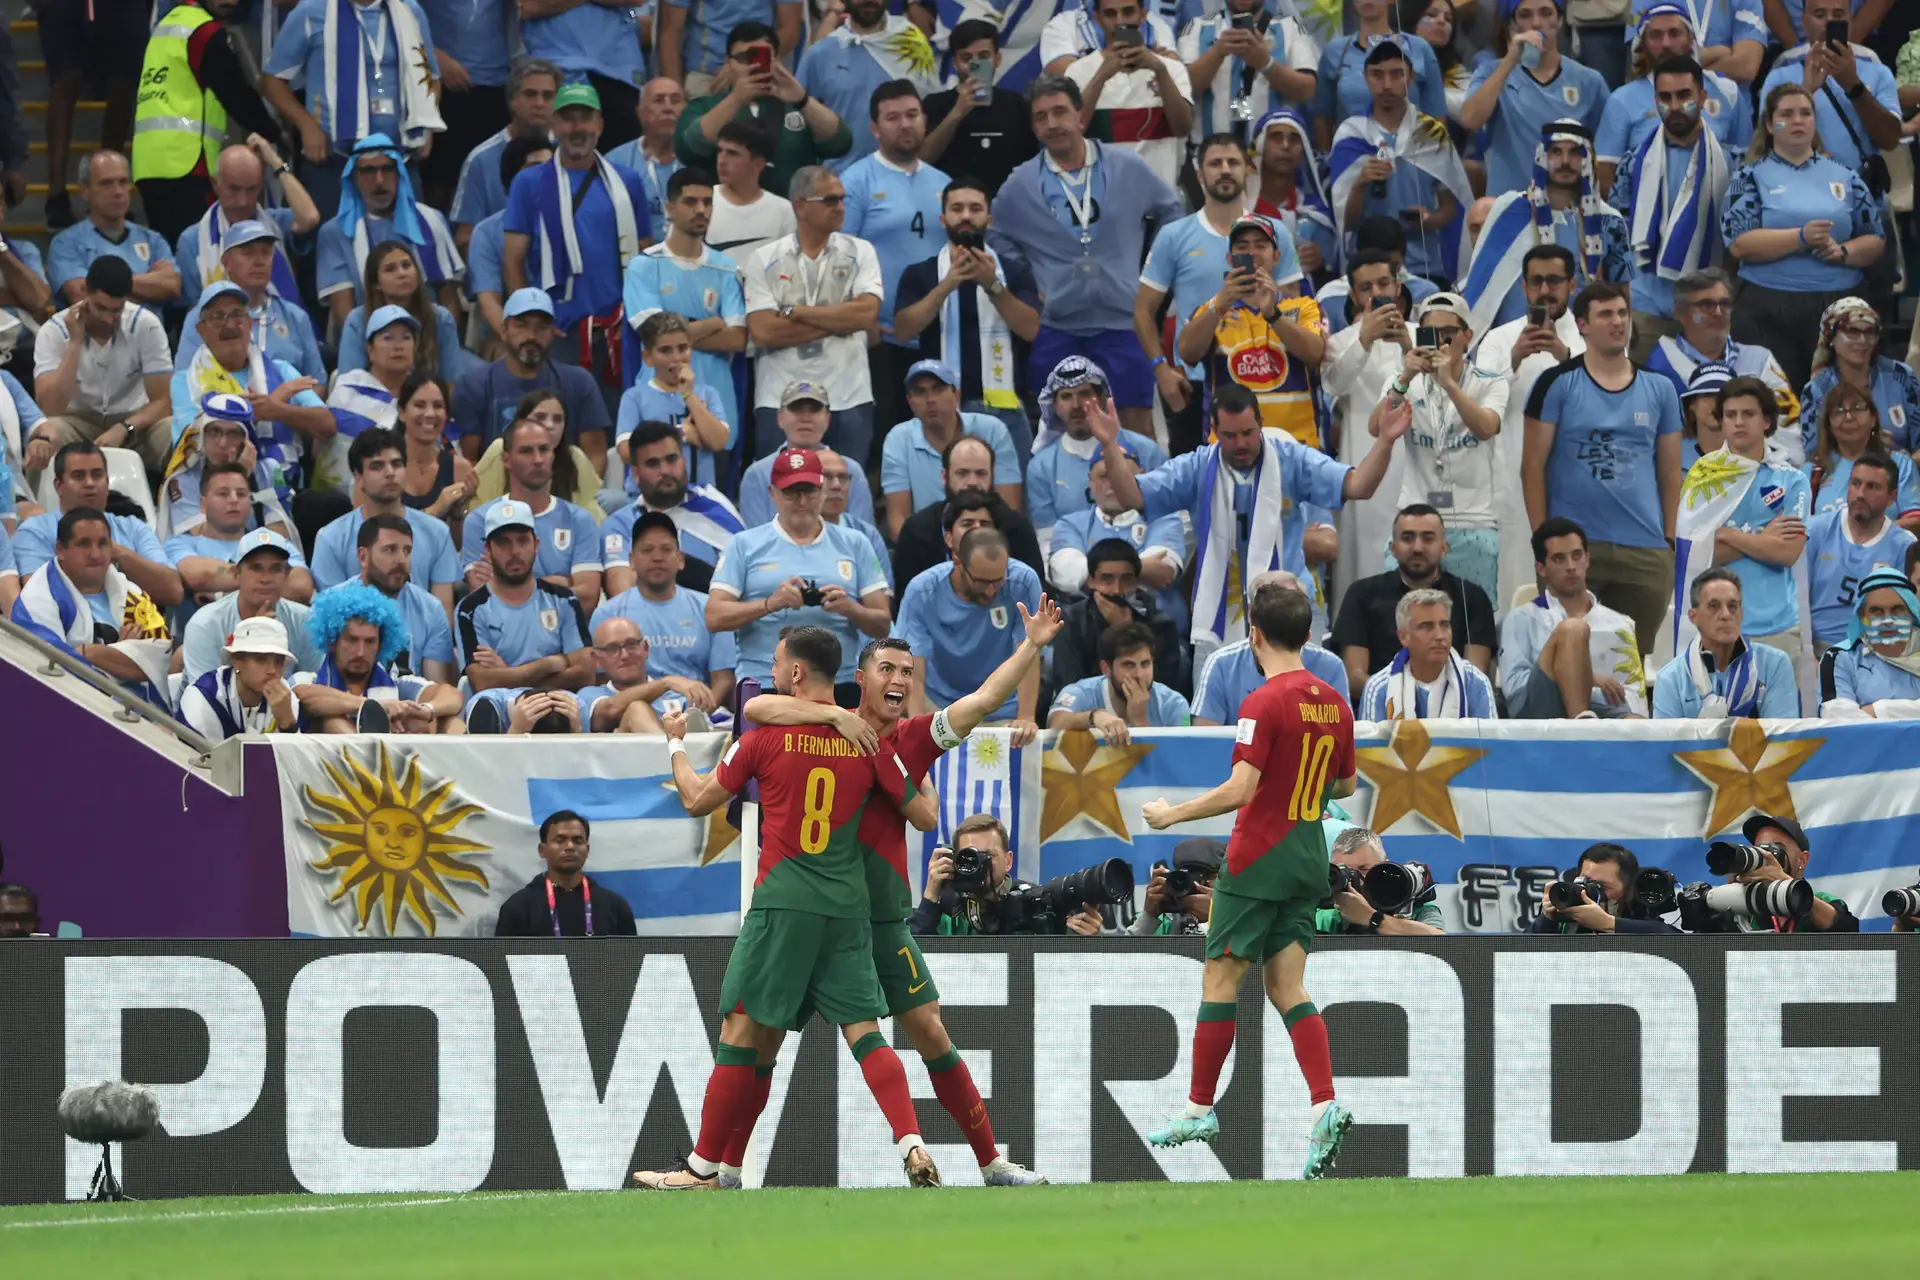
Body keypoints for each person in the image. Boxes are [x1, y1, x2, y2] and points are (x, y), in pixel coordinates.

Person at [736, 604, 1062, 1188]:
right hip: (823, 914)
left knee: (930, 1029)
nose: (900, 681)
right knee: (759, 1042)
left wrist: (1031, 645)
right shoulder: (816, 725)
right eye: (887, 669)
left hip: (882, 919)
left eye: (908, 672)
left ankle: (991, 1163)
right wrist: (836, 721)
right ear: (859, 679)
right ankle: (726, 1169)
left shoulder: (914, 738)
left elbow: (983, 701)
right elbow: (754, 706)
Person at [636, 624, 941, 1191]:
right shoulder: (864, 742)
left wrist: (676, 743)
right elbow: (923, 816)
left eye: (778, 664)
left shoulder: (759, 740)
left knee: (741, 1029)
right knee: (864, 1031)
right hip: (848, 911)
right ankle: (911, 1141)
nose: (773, 673)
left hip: (782, 903)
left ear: (795, 672)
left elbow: (697, 799)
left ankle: (701, 1168)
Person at [1138, 581, 1355, 1176]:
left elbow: (1241, 790)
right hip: (1308, 857)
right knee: (1289, 989)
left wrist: (1171, 814)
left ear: (1252, 634)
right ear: (1309, 635)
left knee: (1220, 976)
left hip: (1259, 855)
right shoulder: (1334, 702)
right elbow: (1345, 786)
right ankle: (1324, 1104)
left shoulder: (1262, 701)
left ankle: (1199, 1107)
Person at [1103, 382, 1406, 666]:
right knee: (1217, 716)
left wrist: (1386, 441)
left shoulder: (1293, 460)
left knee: (1301, 710)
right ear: (1214, 430)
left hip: (1292, 608)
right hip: (1218, 615)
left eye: (1248, 432)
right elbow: (1131, 496)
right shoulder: (1195, 467)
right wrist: (1108, 443)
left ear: (1261, 422)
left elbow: (1359, 487)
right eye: (1230, 436)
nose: (1241, 444)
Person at [989, 77, 1182, 440]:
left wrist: (1151, 275)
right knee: (1057, 433)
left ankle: (1141, 497)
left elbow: (1170, 212)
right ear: (1033, 127)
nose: (1052, 123)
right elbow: (997, 236)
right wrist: (1032, 279)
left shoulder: (1128, 166)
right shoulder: (1021, 184)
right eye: (1041, 117)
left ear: (1080, 116)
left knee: (1136, 430)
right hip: (1058, 327)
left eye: (1060, 112)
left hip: (1124, 324)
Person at [1523, 280, 1684, 655]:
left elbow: (1670, 471)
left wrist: (1670, 537)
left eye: (1623, 313)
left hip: (1645, 548)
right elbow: (1531, 467)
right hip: (1573, 547)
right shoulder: (1556, 384)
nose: (1617, 322)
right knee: (1565, 658)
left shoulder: (1660, 388)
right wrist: (1541, 540)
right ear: (1582, 325)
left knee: (1629, 665)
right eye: (1606, 314)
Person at [1722, 83, 1885, 395]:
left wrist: (1843, 251)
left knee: (1841, 401)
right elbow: (1739, 242)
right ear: (1769, 124)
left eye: (1805, 113)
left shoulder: (1845, 175)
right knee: (1772, 404)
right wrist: (1800, 237)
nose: (1797, 121)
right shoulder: (1749, 177)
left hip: (1838, 305)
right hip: (1766, 308)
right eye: (1786, 114)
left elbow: (1875, 239)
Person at [502, 82, 650, 418]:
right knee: (555, 424)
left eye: (585, 118)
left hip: (616, 329)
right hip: (559, 329)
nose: (577, 128)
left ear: (599, 125)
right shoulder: (529, 183)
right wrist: (529, 320)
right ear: (554, 125)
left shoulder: (628, 182)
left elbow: (643, 254)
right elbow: (513, 259)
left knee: (616, 426)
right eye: (568, 119)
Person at [1136, 136, 1286, 454]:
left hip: (1266, 378)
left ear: (1247, 169)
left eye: (1233, 162)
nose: (1225, 170)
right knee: (1196, 491)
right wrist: (1161, 370)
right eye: (1215, 164)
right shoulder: (1174, 235)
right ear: (1200, 174)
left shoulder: (1275, 231)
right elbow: (1142, 311)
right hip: (1195, 383)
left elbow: (1296, 309)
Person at [706, 448, 891, 698]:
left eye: (810, 491)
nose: (802, 501)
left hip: (838, 684)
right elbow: (714, 617)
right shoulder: (744, 544)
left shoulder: (855, 543)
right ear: (772, 493)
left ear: (823, 490)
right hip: (765, 682)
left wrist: (850, 608)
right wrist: (771, 603)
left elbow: (882, 623)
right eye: (791, 492)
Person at [742, 166, 884, 465]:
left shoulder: (862, 252)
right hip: (779, 397)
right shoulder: (764, 259)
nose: (840, 208)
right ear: (800, 206)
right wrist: (840, 319)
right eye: (830, 200)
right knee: (780, 492)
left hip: (848, 394)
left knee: (841, 492)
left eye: (843, 199)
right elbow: (766, 332)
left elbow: (866, 315)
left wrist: (796, 313)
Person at [1601, 56, 1740, 359]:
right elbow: (1615, 237)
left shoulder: (1734, 165)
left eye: (1684, 96)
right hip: (1643, 308)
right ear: (1655, 100)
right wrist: (1622, 304)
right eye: (1665, 97)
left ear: (1703, 97)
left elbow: (1738, 244)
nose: (1674, 106)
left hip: (1706, 309)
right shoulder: (1633, 162)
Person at [1375, 293, 1508, 599]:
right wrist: (1406, 376)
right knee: (1401, 618)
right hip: (1413, 524)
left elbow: (1486, 428)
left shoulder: (1490, 381)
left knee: (1474, 624)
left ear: (1468, 336)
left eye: (1448, 334)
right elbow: (1376, 427)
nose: (1440, 343)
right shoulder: (1403, 381)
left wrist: (1449, 383)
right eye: (1430, 335)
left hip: (1473, 522)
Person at [1673, 377, 1811, 664]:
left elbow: (1787, 552)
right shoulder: (1703, 475)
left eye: (1748, 414)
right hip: (1715, 630)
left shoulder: (1792, 479)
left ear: (1767, 421)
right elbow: (1694, 558)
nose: (1738, 422)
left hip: (1779, 628)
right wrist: (1763, 539)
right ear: (1721, 422)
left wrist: (1727, 535)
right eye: (1730, 415)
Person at [262, 0, 444, 216]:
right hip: (335, 161)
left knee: (406, 243)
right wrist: (306, 125)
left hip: (398, 160)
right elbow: (271, 81)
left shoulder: (410, 11)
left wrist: (425, 120)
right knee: (332, 240)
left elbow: (431, 77)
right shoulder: (310, 12)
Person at [841, 81, 950, 431]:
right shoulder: (855, 182)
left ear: (924, 121)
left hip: (939, 334)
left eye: (911, 115)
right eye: (892, 118)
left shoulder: (944, 184)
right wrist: (865, 321)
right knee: (885, 435)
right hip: (882, 337)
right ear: (874, 129)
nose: (904, 124)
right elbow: (840, 259)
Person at [126, 1, 281, 244]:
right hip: (186, 165)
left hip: (148, 166)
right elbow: (237, 95)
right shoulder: (203, 31)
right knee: (199, 255)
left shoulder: (165, 26)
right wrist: (276, 134)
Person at [1460, 121, 1630, 337]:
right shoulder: (1509, 208)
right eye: (1556, 152)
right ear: (1542, 156)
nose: (1565, 161)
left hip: (1580, 347)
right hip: (1509, 345)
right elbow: (1480, 286)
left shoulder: (1610, 221)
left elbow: (1621, 293)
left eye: (1575, 153)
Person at [1173, 212, 1325, 449]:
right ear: (1231, 259)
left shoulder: (1304, 306)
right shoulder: (1211, 310)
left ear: (1276, 256)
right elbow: (1187, 353)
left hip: (1297, 447)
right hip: (1229, 448)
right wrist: (1218, 306)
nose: (1252, 253)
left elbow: (1315, 354)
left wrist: (1272, 314)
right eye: (1242, 246)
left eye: (1260, 245)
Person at [1326, 43, 1470, 287]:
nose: (1387, 85)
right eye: (1377, 75)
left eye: (1396, 74)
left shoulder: (1431, 133)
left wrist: (1429, 220)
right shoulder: (1350, 136)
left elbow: (1452, 209)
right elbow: (1345, 222)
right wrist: (1360, 183)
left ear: (1410, 77)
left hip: (1425, 266)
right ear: (1365, 77)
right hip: (1368, 270)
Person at [622, 167, 749, 438]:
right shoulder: (644, 265)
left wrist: (676, 334)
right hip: (657, 406)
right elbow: (654, 334)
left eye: (707, 202)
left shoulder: (726, 268)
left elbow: (738, 339)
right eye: (690, 202)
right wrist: (715, 322)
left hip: (716, 404)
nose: (701, 210)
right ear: (670, 208)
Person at [27, 258, 175, 477]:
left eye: (117, 310)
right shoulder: (54, 331)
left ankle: (183, 505)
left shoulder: (146, 325)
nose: (108, 318)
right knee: (45, 437)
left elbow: (164, 402)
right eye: (101, 307)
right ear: (85, 291)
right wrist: (75, 342)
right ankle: (38, 510)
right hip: (77, 423)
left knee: (177, 432)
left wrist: (125, 427)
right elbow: (49, 406)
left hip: (135, 424)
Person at [10, 507, 172, 701]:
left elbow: (159, 661)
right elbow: (56, 671)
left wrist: (89, 652)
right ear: (60, 550)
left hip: (138, 714)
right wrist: (119, 656)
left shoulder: (132, 595)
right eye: (84, 544)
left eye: (102, 544)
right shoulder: (36, 600)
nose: (95, 554)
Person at [1332, 504, 1498, 694]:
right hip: (1383, 712)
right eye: (1407, 538)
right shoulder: (1362, 594)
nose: (1417, 547)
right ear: (1392, 548)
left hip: (1454, 713)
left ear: (1444, 548)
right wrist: (1405, 700)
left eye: (1428, 538)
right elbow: (1354, 679)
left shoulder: (1472, 597)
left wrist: (1432, 702)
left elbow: (1474, 679)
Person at [897, 525, 1045, 735]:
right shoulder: (922, 590)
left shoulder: (1023, 581)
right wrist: (916, 725)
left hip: (1002, 705)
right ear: (957, 562)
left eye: (999, 580)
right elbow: (913, 665)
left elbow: (1030, 649)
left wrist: (1026, 717)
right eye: (982, 581)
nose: (992, 590)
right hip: (939, 705)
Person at [675, 22, 852, 198]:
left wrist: (802, 99)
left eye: (764, 58)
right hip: (729, 216)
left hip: (792, 216)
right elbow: (689, 148)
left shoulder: (798, 106)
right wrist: (736, 99)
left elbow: (840, 141)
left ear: (777, 61)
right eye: (745, 59)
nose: (754, 67)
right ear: (728, 63)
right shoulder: (706, 106)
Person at [590, 510, 738, 716]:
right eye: (647, 550)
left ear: (680, 559)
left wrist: (702, 712)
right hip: (630, 715)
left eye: (666, 549)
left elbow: (724, 679)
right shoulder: (607, 616)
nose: (657, 557)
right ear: (631, 560)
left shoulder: (710, 610)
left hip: (695, 714)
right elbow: (600, 682)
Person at [1456, 0, 1609, 199]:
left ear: (1560, 20)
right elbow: (1470, 120)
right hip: (1509, 208)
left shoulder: (1589, 81)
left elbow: (1605, 151)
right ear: (1512, 25)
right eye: (1525, 15)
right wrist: (1510, 60)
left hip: (1568, 210)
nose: (1537, 23)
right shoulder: (1490, 72)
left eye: (1546, 13)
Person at [1500, 516, 1650, 718]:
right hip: (1538, 710)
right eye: (1559, 559)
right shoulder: (1521, 618)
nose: (1571, 566)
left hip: (1602, 712)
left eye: (1577, 556)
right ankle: (1582, 727)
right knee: (1573, 629)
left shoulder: (1620, 624)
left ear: (1587, 559)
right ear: (1541, 568)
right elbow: (1515, 690)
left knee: (1636, 722)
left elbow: (1634, 699)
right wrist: (1584, 678)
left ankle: (1583, 721)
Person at [1643, 269, 1799, 460]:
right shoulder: (1657, 368)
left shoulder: (1759, 359)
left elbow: (1787, 432)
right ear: (1680, 312)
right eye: (1705, 305)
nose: (1717, 312)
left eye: (1724, 304)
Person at [315, 135, 463, 332]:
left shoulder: (431, 219)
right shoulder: (335, 232)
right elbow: (346, 315)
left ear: (400, 173)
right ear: (354, 177)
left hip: (431, 339)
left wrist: (434, 346)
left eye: (387, 169)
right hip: (368, 343)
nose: (379, 180)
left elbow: (448, 298)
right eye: (368, 171)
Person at [309, 433, 460, 622]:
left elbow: (443, 614)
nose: (390, 473)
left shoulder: (438, 532)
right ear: (358, 477)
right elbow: (332, 614)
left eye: (396, 464)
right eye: (376, 466)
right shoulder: (330, 538)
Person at [462, 417, 605, 615]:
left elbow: (588, 599)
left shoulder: (579, 520)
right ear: (506, 460)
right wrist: (562, 582)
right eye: (526, 451)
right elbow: (484, 602)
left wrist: (508, 584)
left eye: (544, 449)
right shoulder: (480, 521)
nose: (538, 459)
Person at [454, 288, 614, 464]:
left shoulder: (579, 382)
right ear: (504, 329)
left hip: (563, 488)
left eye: (541, 327)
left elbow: (595, 456)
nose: (531, 336)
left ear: (552, 332)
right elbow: (469, 462)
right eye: (521, 325)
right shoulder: (474, 384)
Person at [10, 443, 182, 604]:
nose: (90, 483)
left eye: (97, 475)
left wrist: (118, 553)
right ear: (59, 486)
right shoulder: (34, 532)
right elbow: (38, 599)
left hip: (137, 628)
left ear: (107, 483)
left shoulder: (133, 528)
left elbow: (173, 591)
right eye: (79, 476)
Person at [455, 498, 595, 694]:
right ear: (488, 549)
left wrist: (507, 674)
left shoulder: (564, 599)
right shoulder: (470, 609)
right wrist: (550, 663)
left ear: (536, 544)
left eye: (522, 540)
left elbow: (585, 672)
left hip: (560, 702)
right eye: (504, 542)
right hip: (503, 706)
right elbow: (482, 682)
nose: (515, 551)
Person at [1025, 356, 1166, 541]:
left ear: (1101, 398)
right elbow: (1048, 540)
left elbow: (1167, 521)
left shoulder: (1146, 451)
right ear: (1055, 406)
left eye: (1084, 394)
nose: (1076, 405)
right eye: (1066, 396)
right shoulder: (1041, 467)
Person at [294, 581, 464, 733]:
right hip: (336, 765)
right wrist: (376, 708)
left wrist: (427, 710)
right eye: (351, 640)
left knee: (449, 722)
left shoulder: (399, 684)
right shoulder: (309, 680)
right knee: (334, 721)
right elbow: (306, 697)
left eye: (369, 642)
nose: (360, 652)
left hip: (396, 764)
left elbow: (453, 696)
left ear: (381, 644)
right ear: (332, 641)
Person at [173, 139, 320, 314]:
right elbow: (194, 314)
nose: (243, 201)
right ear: (215, 185)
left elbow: (309, 217)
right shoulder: (192, 241)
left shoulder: (275, 222)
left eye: (252, 189)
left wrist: (276, 163)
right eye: (234, 189)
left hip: (283, 332)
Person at [1757, 0, 1903, 176]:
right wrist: (1806, 92)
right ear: (1805, 21)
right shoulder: (1780, 74)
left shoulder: (1876, 69)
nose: (1828, 22)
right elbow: (1768, 137)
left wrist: (1854, 86)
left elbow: (1891, 140)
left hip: (1860, 195)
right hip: (1798, 192)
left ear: (1850, 20)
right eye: (1820, 15)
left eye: (1838, 15)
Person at [1047, 441, 1185, 625]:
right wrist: (1137, 571)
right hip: (1087, 636)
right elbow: (1065, 575)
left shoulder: (1165, 518)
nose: (1114, 483)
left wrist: (1096, 576)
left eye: (1123, 475)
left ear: (1142, 476)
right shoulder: (1069, 525)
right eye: (1104, 476)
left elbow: (1163, 572)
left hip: (1155, 633)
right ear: (1090, 480)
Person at [173, 219, 328, 384]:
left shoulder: (295, 316)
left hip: (289, 406)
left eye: (266, 252)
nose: (259, 261)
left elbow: (318, 384)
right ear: (226, 262)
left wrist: (282, 407)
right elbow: (185, 381)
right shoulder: (200, 317)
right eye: (248, 253)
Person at [601, 419, 746, 595]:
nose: (665, 471)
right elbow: (622, 594)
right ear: (636, 474)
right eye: (653, 464)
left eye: (671, 459)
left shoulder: (713, 504)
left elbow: (749, 575)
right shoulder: (621, 525)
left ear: (683, 461)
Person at [1063, 0, 1195, 191]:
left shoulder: (1171, 69)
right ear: (1097, 19)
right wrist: (1101, 76)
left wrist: (1160, 72)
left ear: (1142, 15)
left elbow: (1183, 127)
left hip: (1160, 198)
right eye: (1110, 14)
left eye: (1128, 12)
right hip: (1102, 198)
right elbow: (1070, 134)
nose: (1119, 21)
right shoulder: (1078, 72)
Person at [798, 0, 942, 172]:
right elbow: (799, 117)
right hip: (840, 182)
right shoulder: (820, 53)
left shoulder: (913, 43)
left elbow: (933, 109)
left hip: (904, 175)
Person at [881, 364, 1023, 535]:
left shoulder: (993, 430)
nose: (930, 399)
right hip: (925, 545)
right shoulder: (898, 439)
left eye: (938, 389)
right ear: (910, 402)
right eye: (920, 392)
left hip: (988, 542)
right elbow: (898, 518)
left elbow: (1009, 509)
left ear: (957, 395)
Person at [1193, 571, 1349, 723]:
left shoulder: (1331, 667)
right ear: (1251, 614)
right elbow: (1205, 739)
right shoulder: (1221, 664)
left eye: (1292, 609)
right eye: (1275, 609)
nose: (1283, 617)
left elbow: (1345, 736)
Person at [178, 527, 322, 684]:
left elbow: (316, 685)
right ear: (236, 574)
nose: (265, 578)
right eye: (256, 568)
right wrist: (251, 639)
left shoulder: (306, 620)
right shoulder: (205, 624)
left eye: (275, 569)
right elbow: (205, 697)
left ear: (287, 575)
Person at [416, 0, 522, 212]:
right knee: (440, 184)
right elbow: (398, 12)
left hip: (496, 85)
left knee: (491, 180)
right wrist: (436, 58)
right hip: (446, 85)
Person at [1650, 567, 1800, 716]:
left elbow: (1782, 736)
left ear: (1742, 612)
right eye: (1714, 606)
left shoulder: (1774, 664)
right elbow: (1669, 739)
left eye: (1732, 606)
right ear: (1693, 616)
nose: (1725, 615)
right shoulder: (1671, 679)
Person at [448, 59, 562, 251]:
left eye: (548, 96)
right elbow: (465, 236)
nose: (539, 103)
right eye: (530, 94)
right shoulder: (480, 159)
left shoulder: (568, 153)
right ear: (512, 101)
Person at [1052, 535, 1189, 694]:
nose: (1117, 590)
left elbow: (1164, 691)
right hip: (1088, 711)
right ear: (1091, 581)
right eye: (1107, 579)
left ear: (1137, 581)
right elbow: (1068, 688)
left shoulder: (1162, 624)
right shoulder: (1073, 621)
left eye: (1126, 579)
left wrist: (1127, 630)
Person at [919, 19, 1041, 198]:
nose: (976, 66)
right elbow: (922, 159)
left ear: (997, 58)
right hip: (952, 209)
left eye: (984, 57)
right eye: (967, 58)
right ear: (955, 63)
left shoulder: (1017, 105)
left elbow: (1032, 164)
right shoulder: (936, 104)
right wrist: (957, 112)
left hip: (1008, 209)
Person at [166, 463, 317, 605]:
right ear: (203, 504)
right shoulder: (179, 544)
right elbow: (200, 576)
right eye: (223, 493)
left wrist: (221, 595)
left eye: (241, 494)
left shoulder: (276, 542)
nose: (234, 500)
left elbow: (300, 586)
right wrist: (271, 580)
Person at [616, 311, 733, 492]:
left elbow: (719, 442)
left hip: (701, 499)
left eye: (683, 348)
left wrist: (689, 395)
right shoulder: (634, 397)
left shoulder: (707, 394)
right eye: (666, 350)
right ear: (647, 357)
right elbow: (626, 452)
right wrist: (681, 435)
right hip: (650, 499)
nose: (677, 358)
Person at [46, 151, 181, 307]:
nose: (118, 192)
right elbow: (81, 294)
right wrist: (149, 283)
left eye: (123, 182)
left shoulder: (153, 240)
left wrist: (102, 284)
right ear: (85, 190)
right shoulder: (65, 243)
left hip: (149, 331)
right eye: (106, 184)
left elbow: (172, 286)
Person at [1808, 453, 1914, 648]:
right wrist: (1807, 654)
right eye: (1855, 484)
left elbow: (1907, 616)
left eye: (1872, 487)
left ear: (1892, 497)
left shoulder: (1905, 546)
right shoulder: (1815, 531)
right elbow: (1796, 599)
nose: (1860, 494)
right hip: (1816, 648)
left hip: (1874, 650)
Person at [737, 382, 876, 527]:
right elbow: (754, 540)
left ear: (828, 419)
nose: (806, 418)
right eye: (796, 410)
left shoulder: (850, 470)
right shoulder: (758, 474)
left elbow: (864, 533)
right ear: (780, 418)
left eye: (814, 410)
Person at [341, 511, 458, 683]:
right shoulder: (334, 606)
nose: (402, 560)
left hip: (410, 705)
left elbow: (437, 685)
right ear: (363, 557)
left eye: (407, 551)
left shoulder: (430, 609)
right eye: (390, 550)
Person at [317, 304, 424, 491]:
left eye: (406, 338)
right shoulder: (349, 388)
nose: (398, 345)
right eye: (388, 338)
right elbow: (337, 456)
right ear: (370, 349)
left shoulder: (424, 392)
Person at [1180, 0, 1319, 143]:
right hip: (1211, 155)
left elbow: (1308, 90)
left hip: (1270, 156)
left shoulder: (1290, 27)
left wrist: (1266, 64)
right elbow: (1181, 92)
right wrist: (1216, 53)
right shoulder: (1198, 27)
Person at [893, 465, 1045, 593]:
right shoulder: (922, 590)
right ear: (948, 537)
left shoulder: (1024, 580)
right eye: (967, 524)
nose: (976, 530)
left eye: (984, 524)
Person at [1310, 0, 1447, 142]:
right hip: (1352, 157)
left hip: (1409, 157)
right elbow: (1322, 121)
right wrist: (1332, 161)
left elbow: (1437, 120)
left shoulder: (1419, 49)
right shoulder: (1335, 51)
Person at [1800, 296, 1920, 457]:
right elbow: (1814, 457)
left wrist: (1903, 464)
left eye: (1869, 332)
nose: (1863, 340)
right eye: (1852, 332)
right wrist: (1866, 447)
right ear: (1831, 337)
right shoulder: (1816, 390)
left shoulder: (1902, 376)